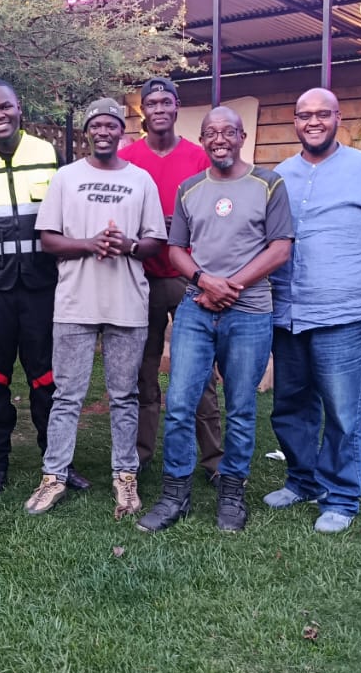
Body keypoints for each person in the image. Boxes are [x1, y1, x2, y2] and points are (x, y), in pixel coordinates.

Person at [137, 106, 293, 534]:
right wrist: (205, 282)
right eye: (211, 132)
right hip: (196, 307)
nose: (219, 139)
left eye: (228, 131)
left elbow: (280, 248)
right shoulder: (190, 188)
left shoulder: (269, 184)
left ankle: (231, 495)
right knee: (180, 404)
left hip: (250, 311)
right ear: (203, 140)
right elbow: (176, 250)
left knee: (240, 407)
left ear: (242, 137)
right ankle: (175, 495)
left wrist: (230, 286)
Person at [265, 87, 361, 533]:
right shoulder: (280, 176)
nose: (313, 122)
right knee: (290, 405)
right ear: (295, 121)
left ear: (337, 118)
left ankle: (342, 497)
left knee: (343, 411)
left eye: (322, 114)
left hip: (344, 316)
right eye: (304, 114)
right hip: (288, 313)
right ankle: (302, 481)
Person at [24, 99, 167, 517]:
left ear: (122, 131)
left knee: (124, 395)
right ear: (88, 131)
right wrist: (90, 244)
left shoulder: (140, 180)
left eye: (111, 125)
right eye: (96, 125)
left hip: (127, 302)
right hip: (75, 302)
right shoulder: (66, 177)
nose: (104, 132)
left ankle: (125, 476)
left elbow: (156, 241)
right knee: (67, 395)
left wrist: (128, 245)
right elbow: (48, 239)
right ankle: (54, 476)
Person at [0, 78, 90, 497]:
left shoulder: (48, 154)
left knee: (48, 379)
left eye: (5, 107)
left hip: (40, 285)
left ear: (19, 108)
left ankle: (58, 463)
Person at [119, 77, 223, 482]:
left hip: (188, 278)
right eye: (152, 103)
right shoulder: (127, 159)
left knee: (199, 371)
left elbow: (214, 213)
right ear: (143, 110)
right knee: (142, 371)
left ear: (177, 107)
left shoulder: (198, 158)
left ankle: (214, 460)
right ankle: (140, 455)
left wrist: (176, 226)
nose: (159, 108)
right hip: (139, 278)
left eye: (166, 102)